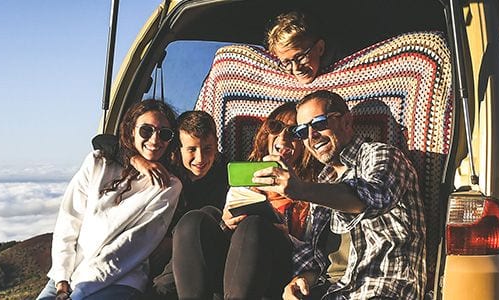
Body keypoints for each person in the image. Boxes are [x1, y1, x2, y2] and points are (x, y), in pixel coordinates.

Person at [254, 90, 426, 299]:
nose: (311, 136)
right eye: (301, 131)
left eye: (319, 124)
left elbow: (373, 197)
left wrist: (301, 190)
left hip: (379, 290)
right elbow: (317, 260)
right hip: (331, 292)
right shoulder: (323, 181)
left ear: (346, 121)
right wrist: (300, 281)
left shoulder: (381, 155)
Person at [170, 103, 320, 299]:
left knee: (254, 225)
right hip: (233, 269)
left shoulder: (316, 187)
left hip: (280, 269)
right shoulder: (243, 181)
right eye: (275, 128)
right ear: (266, 135)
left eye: (293, 131)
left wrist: (286, 236)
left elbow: (320, 254)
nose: (283, 138)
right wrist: (226, 223)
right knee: (195, 220)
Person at [39, 100, 183, 300]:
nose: (155, 139)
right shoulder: (98, 163)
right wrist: (62, 280)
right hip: (69, 275)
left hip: (119, 280)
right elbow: (69, 221)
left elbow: (132, 245)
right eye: (146, 130)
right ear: (131, 130)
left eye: (164, 133)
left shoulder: (168, 186)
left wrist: (79, 293)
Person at [146, 110, 230, 298]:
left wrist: (173, 242)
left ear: (217, 145)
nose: (200, 159)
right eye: (192, 149)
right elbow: (106, 145)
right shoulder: (165, 169)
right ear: (177, 148)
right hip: (163, 257)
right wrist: (138, 161)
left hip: (212, 252)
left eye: (208, 149)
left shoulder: (226, 174)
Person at [265, 11, 339, 84]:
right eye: (287, 62)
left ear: (320, 48)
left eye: (300, 57)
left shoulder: (345, 72)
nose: (296, 69)